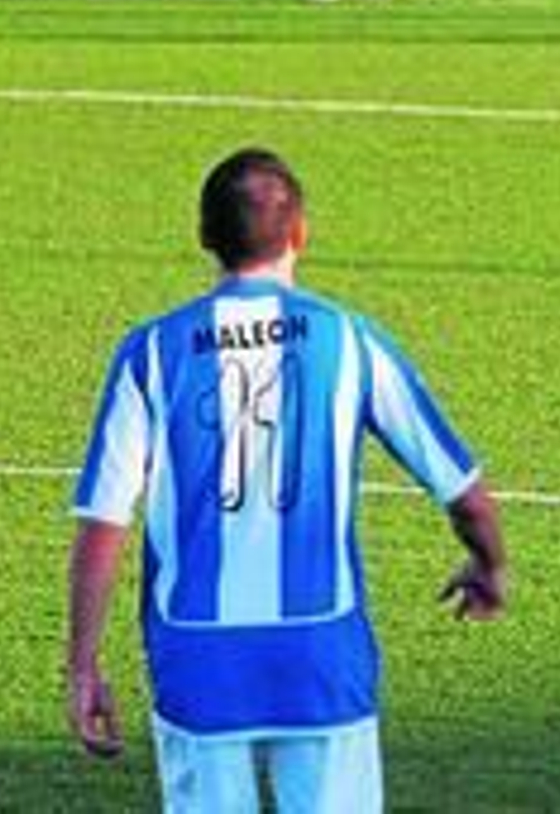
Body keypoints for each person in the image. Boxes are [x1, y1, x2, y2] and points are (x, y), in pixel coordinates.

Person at [66, 148, 507, 812]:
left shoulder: (151, 352)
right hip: (320, 660)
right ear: (300, 233)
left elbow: (103, 526)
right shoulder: (350, 340)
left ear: (205, 238)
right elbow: (463, 493)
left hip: (198, 663)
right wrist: (489, 564)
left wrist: (83, 665)